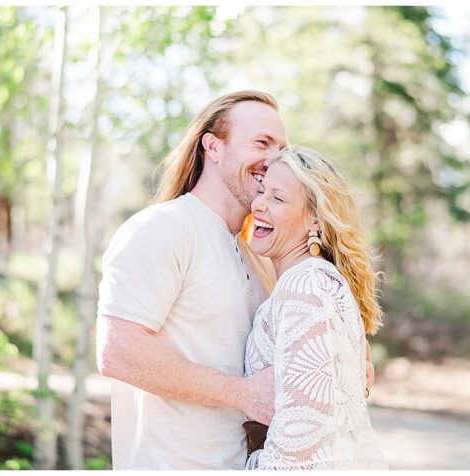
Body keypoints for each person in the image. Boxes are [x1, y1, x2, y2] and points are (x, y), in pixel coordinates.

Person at [95, 91, 288, 469]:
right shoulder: (162, 229)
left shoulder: (256, 256)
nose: (274, 159)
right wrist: (245, 394)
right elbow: (118, 351)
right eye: (261, 143)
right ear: (212, 147)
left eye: (281, 148)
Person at [243, 146, 387, 469]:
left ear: (315, 219)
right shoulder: (317, 282)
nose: (259, 204)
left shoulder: (305, 285)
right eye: (263, 191)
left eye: (277, 199)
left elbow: (300, 442)